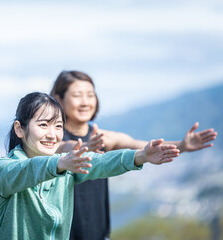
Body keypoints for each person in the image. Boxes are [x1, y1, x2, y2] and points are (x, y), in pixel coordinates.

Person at [0, 92, 180, 240]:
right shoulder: (0, 170)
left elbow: (100, 161)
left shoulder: (66, 166)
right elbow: (25, 171)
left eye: (58, 126)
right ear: (19, 129)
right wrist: (59, 162)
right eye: (44, 125)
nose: (52, 134)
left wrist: (140, 156)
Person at [50, 70, 218, 240]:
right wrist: (86, 147)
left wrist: (182, 145)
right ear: (58, 99)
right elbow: (63, 147)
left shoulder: (105, 138)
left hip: (98, 233)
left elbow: (143, 147)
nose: (85, 102)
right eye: (77, 95)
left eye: (90, 95)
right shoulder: (50, 139)